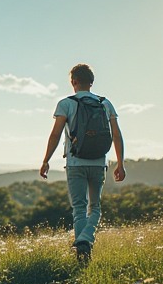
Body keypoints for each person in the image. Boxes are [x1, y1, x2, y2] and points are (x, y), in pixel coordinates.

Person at [39, 64, 125, 262]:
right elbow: (116, 136)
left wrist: (46, 160)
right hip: (99, 163)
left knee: (79, 207)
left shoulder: (66, 103)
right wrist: (120, 163)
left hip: (75, 162)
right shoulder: (105, 103)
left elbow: (55, 134)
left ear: (73, 82)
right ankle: (86, 240)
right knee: (95, 208)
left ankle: (82, 247)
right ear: (92, 82)